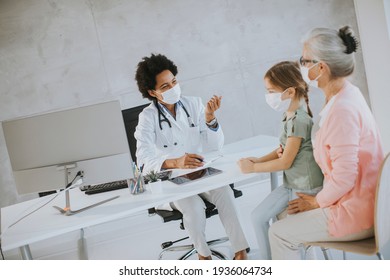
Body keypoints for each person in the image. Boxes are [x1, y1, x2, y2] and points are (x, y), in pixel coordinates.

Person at [268, 26, 384, 259]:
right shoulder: (346, 94)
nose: (299, 65)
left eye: (304, 60)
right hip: (365, 201)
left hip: (357, 212)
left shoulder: (342, 110)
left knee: (278, 232)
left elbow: (344, 178)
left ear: (321, 67)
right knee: (285, 214)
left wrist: (317, 202)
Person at [134, 53, 249, 260]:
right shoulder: (147, 118)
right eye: (165, 87)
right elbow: (143, 161)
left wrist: (210, 119)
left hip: (201, 173)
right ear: (152, 92)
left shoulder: (194, 104)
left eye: (174, 82)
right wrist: (174, 162)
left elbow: (215, 147)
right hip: (171, 182)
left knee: (225, 192)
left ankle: (240, 251)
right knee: (194, 207)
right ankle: (204, 257)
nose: (173, 88)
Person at [237, 61, 323, 259]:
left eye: (271, 91)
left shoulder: (300, 120)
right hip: (290, 184)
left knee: (286, 232)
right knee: (257, 217)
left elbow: (285, 162)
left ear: (290, 92)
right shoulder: (289, 116)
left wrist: (252, 169)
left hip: (304, 186)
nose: (268, 97)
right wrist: (257, 160)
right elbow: (282, 150)